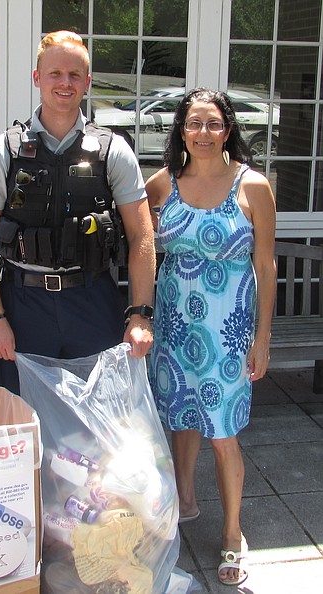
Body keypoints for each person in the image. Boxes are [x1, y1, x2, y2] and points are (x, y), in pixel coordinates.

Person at [0, 30, 155, 396]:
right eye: (55, 74)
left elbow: (141, 235)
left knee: (102, 422)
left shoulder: (113, 151)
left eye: (74, 75)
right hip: (23, 304)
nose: (64, 83)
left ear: (87, 82)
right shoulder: (1, 152)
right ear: (37, 78)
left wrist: (140, 315)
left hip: (92, 300)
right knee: (17, 417)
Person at [145, 87, 276, 586]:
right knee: (180, 421)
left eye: (214, 123)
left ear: (228, 129)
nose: (203, 132)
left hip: (228, 330)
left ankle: (231, 531)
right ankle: (184, 506)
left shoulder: (253, 185)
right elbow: (136, 237)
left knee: (222, 433)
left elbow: (265, 265)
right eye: (194, 123)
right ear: (181, 129)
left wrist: (262, 337)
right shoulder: (163, 184)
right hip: (175, 326)